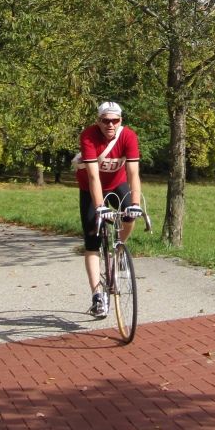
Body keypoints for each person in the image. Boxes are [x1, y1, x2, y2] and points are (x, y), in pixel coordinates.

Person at [75, 101, 142, 318]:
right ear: (98, 121)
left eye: (115, 120)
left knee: (130, 215)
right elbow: (93, 175)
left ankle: (119, 247)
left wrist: (136, 204)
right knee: (92, 239)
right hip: (90, 187)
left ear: (121, 120)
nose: (110, 125)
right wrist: (100, 207)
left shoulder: (128, 136)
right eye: (105, 121)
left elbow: (133, 174)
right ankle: (97, 296)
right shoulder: (88, 136)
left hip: (117, 183)